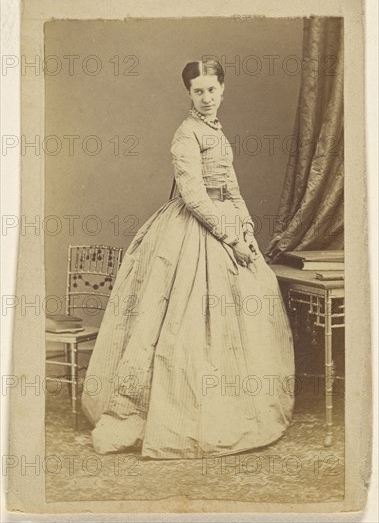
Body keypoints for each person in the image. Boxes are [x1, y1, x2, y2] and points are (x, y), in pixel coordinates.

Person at [81, 59, 295, 459]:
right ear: (188, 94)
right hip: (193, 228)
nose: (206, 97)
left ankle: (231, 411)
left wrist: (247, 229)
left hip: (227, 225)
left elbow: (232, 188)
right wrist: (232, 240)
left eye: (212, 89)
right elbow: (195, 197)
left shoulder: (219, 133)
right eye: (198, 91)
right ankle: (171, 415)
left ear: (223, 90)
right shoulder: (186, 135)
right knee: (180, 324)